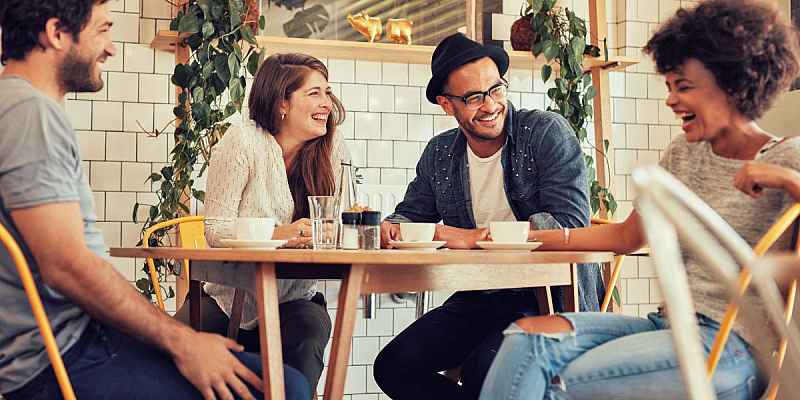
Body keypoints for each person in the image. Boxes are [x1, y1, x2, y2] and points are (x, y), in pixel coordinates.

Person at [479, 1, 800, 399]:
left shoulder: (788, 156)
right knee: (526, 341)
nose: (670, 100)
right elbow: (626, 237)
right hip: (667, 326)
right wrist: (520, 237)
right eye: (669, 86)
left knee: (563, 383)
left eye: (683, 87)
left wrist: (786, 179)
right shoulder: (683, 154)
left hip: (730, 349)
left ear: (733, 83)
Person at [0, 1, 310, 399]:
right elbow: (67, 266)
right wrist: (184, 341)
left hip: (75, 344)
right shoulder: (29, 112)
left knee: (284, 381)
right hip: (66, 358)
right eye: (103, 30)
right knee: (286, 389)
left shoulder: (19, 106)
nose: (111, 48)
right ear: (57, 33)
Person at [372, 32, 605, 400]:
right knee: (394, 366)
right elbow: (410, 215)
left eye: (496, 90)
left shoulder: (545, 133)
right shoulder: (440, 155)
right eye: (474, 98)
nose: (490, 105)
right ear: (448, 105)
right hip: (481, 293)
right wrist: (392, 229)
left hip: (549, 296)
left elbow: (570, 226)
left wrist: (473, 236)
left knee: (487, 372)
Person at [174, 52, 349, 391]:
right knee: (166, 351)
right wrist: (284, 234)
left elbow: (339, 224)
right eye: (314, 93)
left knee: (309, 333)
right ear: (282, 102)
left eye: (328, 92)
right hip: (230, 297)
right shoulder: (242, 141)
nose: (327, 103)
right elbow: (216, 229)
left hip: (296, 298)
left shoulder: (333, 147)